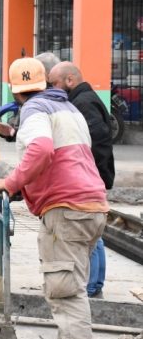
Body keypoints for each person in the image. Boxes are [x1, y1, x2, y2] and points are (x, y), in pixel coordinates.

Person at [0, 57, 109, 339]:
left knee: (66, 293)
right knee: (71, 285)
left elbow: (42, 149)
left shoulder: (33, 111)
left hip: (66, 208)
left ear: (15, 91)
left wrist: (10, 182)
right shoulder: (69, 109)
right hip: (91, 204)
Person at [48, 61, 115, 299]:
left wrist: (86, 170)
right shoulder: (82, 100)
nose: (51, 88)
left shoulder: (83, 103)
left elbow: (97, 140)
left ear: (69, 80)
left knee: (90, 237)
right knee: (93, 236)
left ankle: (92, 285)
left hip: (90, 177)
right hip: (92, 176)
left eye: (54, 83)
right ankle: (93, 284)